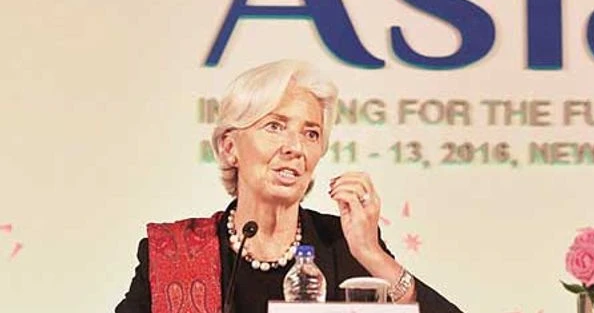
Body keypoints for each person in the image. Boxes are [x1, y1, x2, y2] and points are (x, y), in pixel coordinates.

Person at [115, 60, 463, 313]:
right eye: (275, 126)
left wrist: (373, 256)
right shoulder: (175, 254)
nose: (295, 147)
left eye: (310, 133)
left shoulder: (345, 247)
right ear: (229, 147)